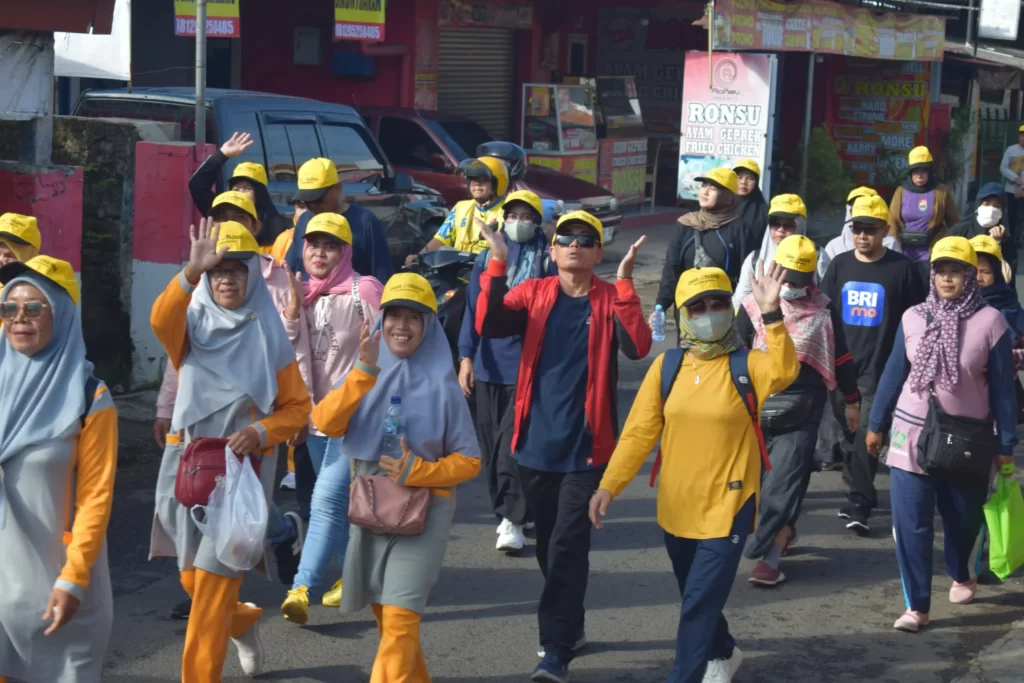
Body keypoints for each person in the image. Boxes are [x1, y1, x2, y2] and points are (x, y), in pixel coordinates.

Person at [589, 264, 799, 683]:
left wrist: (772, 314)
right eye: (698, 306)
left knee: (699, 603)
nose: (709, 312)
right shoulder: (667, 368)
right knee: (695, 595)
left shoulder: (748, 365)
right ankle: (723, 650)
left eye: (718, 303)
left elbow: (784, 370)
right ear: (682, 315)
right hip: (677, 506)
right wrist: (609, 486)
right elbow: (637, 433)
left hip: (731, 504)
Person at [476, 211, 652, 682]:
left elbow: (638, 346)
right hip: (534, 445)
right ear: (552, 251)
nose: (575, 244)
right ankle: (570, 627)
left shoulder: (610, 298)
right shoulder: (533, 293)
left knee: (569, 546)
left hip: (587, 451)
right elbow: (489, 325)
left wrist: (626, 284)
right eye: (566, 238)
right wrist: (496, 263)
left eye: (586, 239)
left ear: (597, 251)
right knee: (551, 549)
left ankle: (554, 650)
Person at [149, 219, 311, 681]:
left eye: (236, 270)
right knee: (192, 582)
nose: (225, 278)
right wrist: (188, 273)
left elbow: (297, 409)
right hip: (184, 466)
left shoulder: (270, 336)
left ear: (252, 277)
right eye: (217, 270)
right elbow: (160, 318)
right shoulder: (189, 327)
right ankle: (241, 622)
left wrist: (261, 432)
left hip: (240, 476)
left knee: (211, 593)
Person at [311, 272, 480, 682]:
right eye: (394, 315)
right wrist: (363, 372)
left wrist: (419, 470)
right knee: (387, 619)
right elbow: (324, 422)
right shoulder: (364, 368)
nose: (401, 326)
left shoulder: (445, 385)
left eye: (414, 317)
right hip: (369, 501)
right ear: (381, 318)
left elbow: (470, 461)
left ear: (428, 326)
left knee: (401, 619)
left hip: (426, 509)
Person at [866, 237, 1017, 632]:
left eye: (957, 271)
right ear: (932, 274)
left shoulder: (992, 323)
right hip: (909, 437)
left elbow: (1003, 390)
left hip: (965, 441)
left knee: (962, 520)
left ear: (971, 276)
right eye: (941, 270)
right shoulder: (913, 317)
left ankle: (960, 571)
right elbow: (893, 373)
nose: (948, 278)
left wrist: (1006, 446)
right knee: (911, 523)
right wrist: (875, 424)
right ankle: (916, 606)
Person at [0, 256, 117, 683]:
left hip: (60, 595)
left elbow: (95, 497)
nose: (19, 319)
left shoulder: (90, 398)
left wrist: (74, 578)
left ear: (63, 313)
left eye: (35, 308)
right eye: (9, 308)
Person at [737, 235, 861, 586]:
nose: (790, 287)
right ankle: (782, 532)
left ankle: (769, 559)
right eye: (786, 278)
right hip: (755, 410)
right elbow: (736, 355)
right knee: (757, 485)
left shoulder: (823, 310)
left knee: (785, 483)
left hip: (803, 412)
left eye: (798, 281)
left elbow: (841, 358)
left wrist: (851, 401)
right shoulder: (750, 307)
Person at [280, 212, 384, 624]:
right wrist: (291, 312)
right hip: (316, 418)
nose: (320, 253)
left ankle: (301, 587)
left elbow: (387, 348)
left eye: (330, 246)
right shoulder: (302, 293)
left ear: (345, 252)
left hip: (355, 418)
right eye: (313, 245)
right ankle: (350, 576)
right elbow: (289, 359)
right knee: (336, 505)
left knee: (324, 501)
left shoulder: (365, 289)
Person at [820, 194, 926, 535]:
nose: (862, 236)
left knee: (867, 433)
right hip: (841, 368)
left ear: (884, 231)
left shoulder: (902, 269)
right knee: (849, 434)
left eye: (869, 230)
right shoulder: (839, 265)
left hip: (879, 371)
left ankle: (860, 503)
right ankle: (857, 490)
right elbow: (825, 313)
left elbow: (917, 316)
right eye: (857, 229)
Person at [457, 190, 555, 553]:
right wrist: (466, 357)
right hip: (488, 364)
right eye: (511, 215)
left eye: (526, 216)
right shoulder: (487, 257)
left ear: (538, 221)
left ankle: (511, 519)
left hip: (529, 368)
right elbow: (472, 310)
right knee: (490, 444)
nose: (518, 222)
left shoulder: (549, 260)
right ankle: (515, 511)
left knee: (509, 447)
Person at [656, 168, 750, 343]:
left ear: (727, 195)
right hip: (688, 307)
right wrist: (661, 306)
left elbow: (746, 273)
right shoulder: (685, 224)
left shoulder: (738, 228)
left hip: (721, 310)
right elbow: (671, 268)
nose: (705, 192)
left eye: (713, 188)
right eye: (704, 185)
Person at [284, 157, 394, 284]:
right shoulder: (304, 221)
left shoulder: (365, 222)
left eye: (318, 199)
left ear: (337, 188)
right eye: (306, 201)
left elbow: (381, 277)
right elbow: (289, 271)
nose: (312, 206)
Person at [189, 131, 290, 253]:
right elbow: (197, 185)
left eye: (247, 188)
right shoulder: (220, 211)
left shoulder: (281, 229)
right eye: (236, 189)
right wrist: (222, 154)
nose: (239, 193)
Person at [405, 156, 509, 266]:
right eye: (473, 178)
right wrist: (420, 256)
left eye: (484, 179)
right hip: (457, 270)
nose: (477, 183)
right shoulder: (460, 207)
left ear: (497, 183)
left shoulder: (507, 212)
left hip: (486, 271)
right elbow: (442, 239)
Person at [731, 194, 830, 310]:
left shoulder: (818, 255)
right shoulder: (755, 259)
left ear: (801, 225)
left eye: (789, 224)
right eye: (775, 223)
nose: (780, 230)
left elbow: (827, 296)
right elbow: (740, 299)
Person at [887, 146, 959, 263]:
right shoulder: (901, 191)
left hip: (932, 253)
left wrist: (948, 246)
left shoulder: (941, 191)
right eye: (915, 171)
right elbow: (892, 221)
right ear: (910, 173)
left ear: (929, 172)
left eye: (923, 171)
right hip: (905, 254)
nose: (919, 175)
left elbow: (954, 223)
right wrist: (896, 249)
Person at [971, 235, 1024, 369]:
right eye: (972, 271)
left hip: (1002, 381)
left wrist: (1006, 357)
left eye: (986, 272)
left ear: (997, 274)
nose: (978, 278)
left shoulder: (1009, 305)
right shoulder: (949, 307)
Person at [824, 187, 901, 260]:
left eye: (870, 229)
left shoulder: (890, 244)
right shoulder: (833, 247)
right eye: (856, 206)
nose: (862, 236)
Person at [948, 182, 1010, 246]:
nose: (991, 209)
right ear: (978, 206)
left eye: (997, 206)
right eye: (986, 204)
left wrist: (997, 244)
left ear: (1002, 210)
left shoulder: (1005, 239)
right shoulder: (959, 231)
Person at [998, 124, 1024, 262]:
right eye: (1021, 136)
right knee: (1012, 216)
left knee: (1021, 217)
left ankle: (1016, 239)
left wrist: (1022, 185)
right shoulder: (1011, 150)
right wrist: (1016, 179)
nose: (1023, 138)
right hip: (1011, 189)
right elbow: (1003, 168)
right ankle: (1011, 240)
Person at [734, 159, 768, 247]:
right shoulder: (722, 204)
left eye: (750, 178)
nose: (743, 182)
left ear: (756, 182)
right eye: (739, 177)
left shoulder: (763, 211)